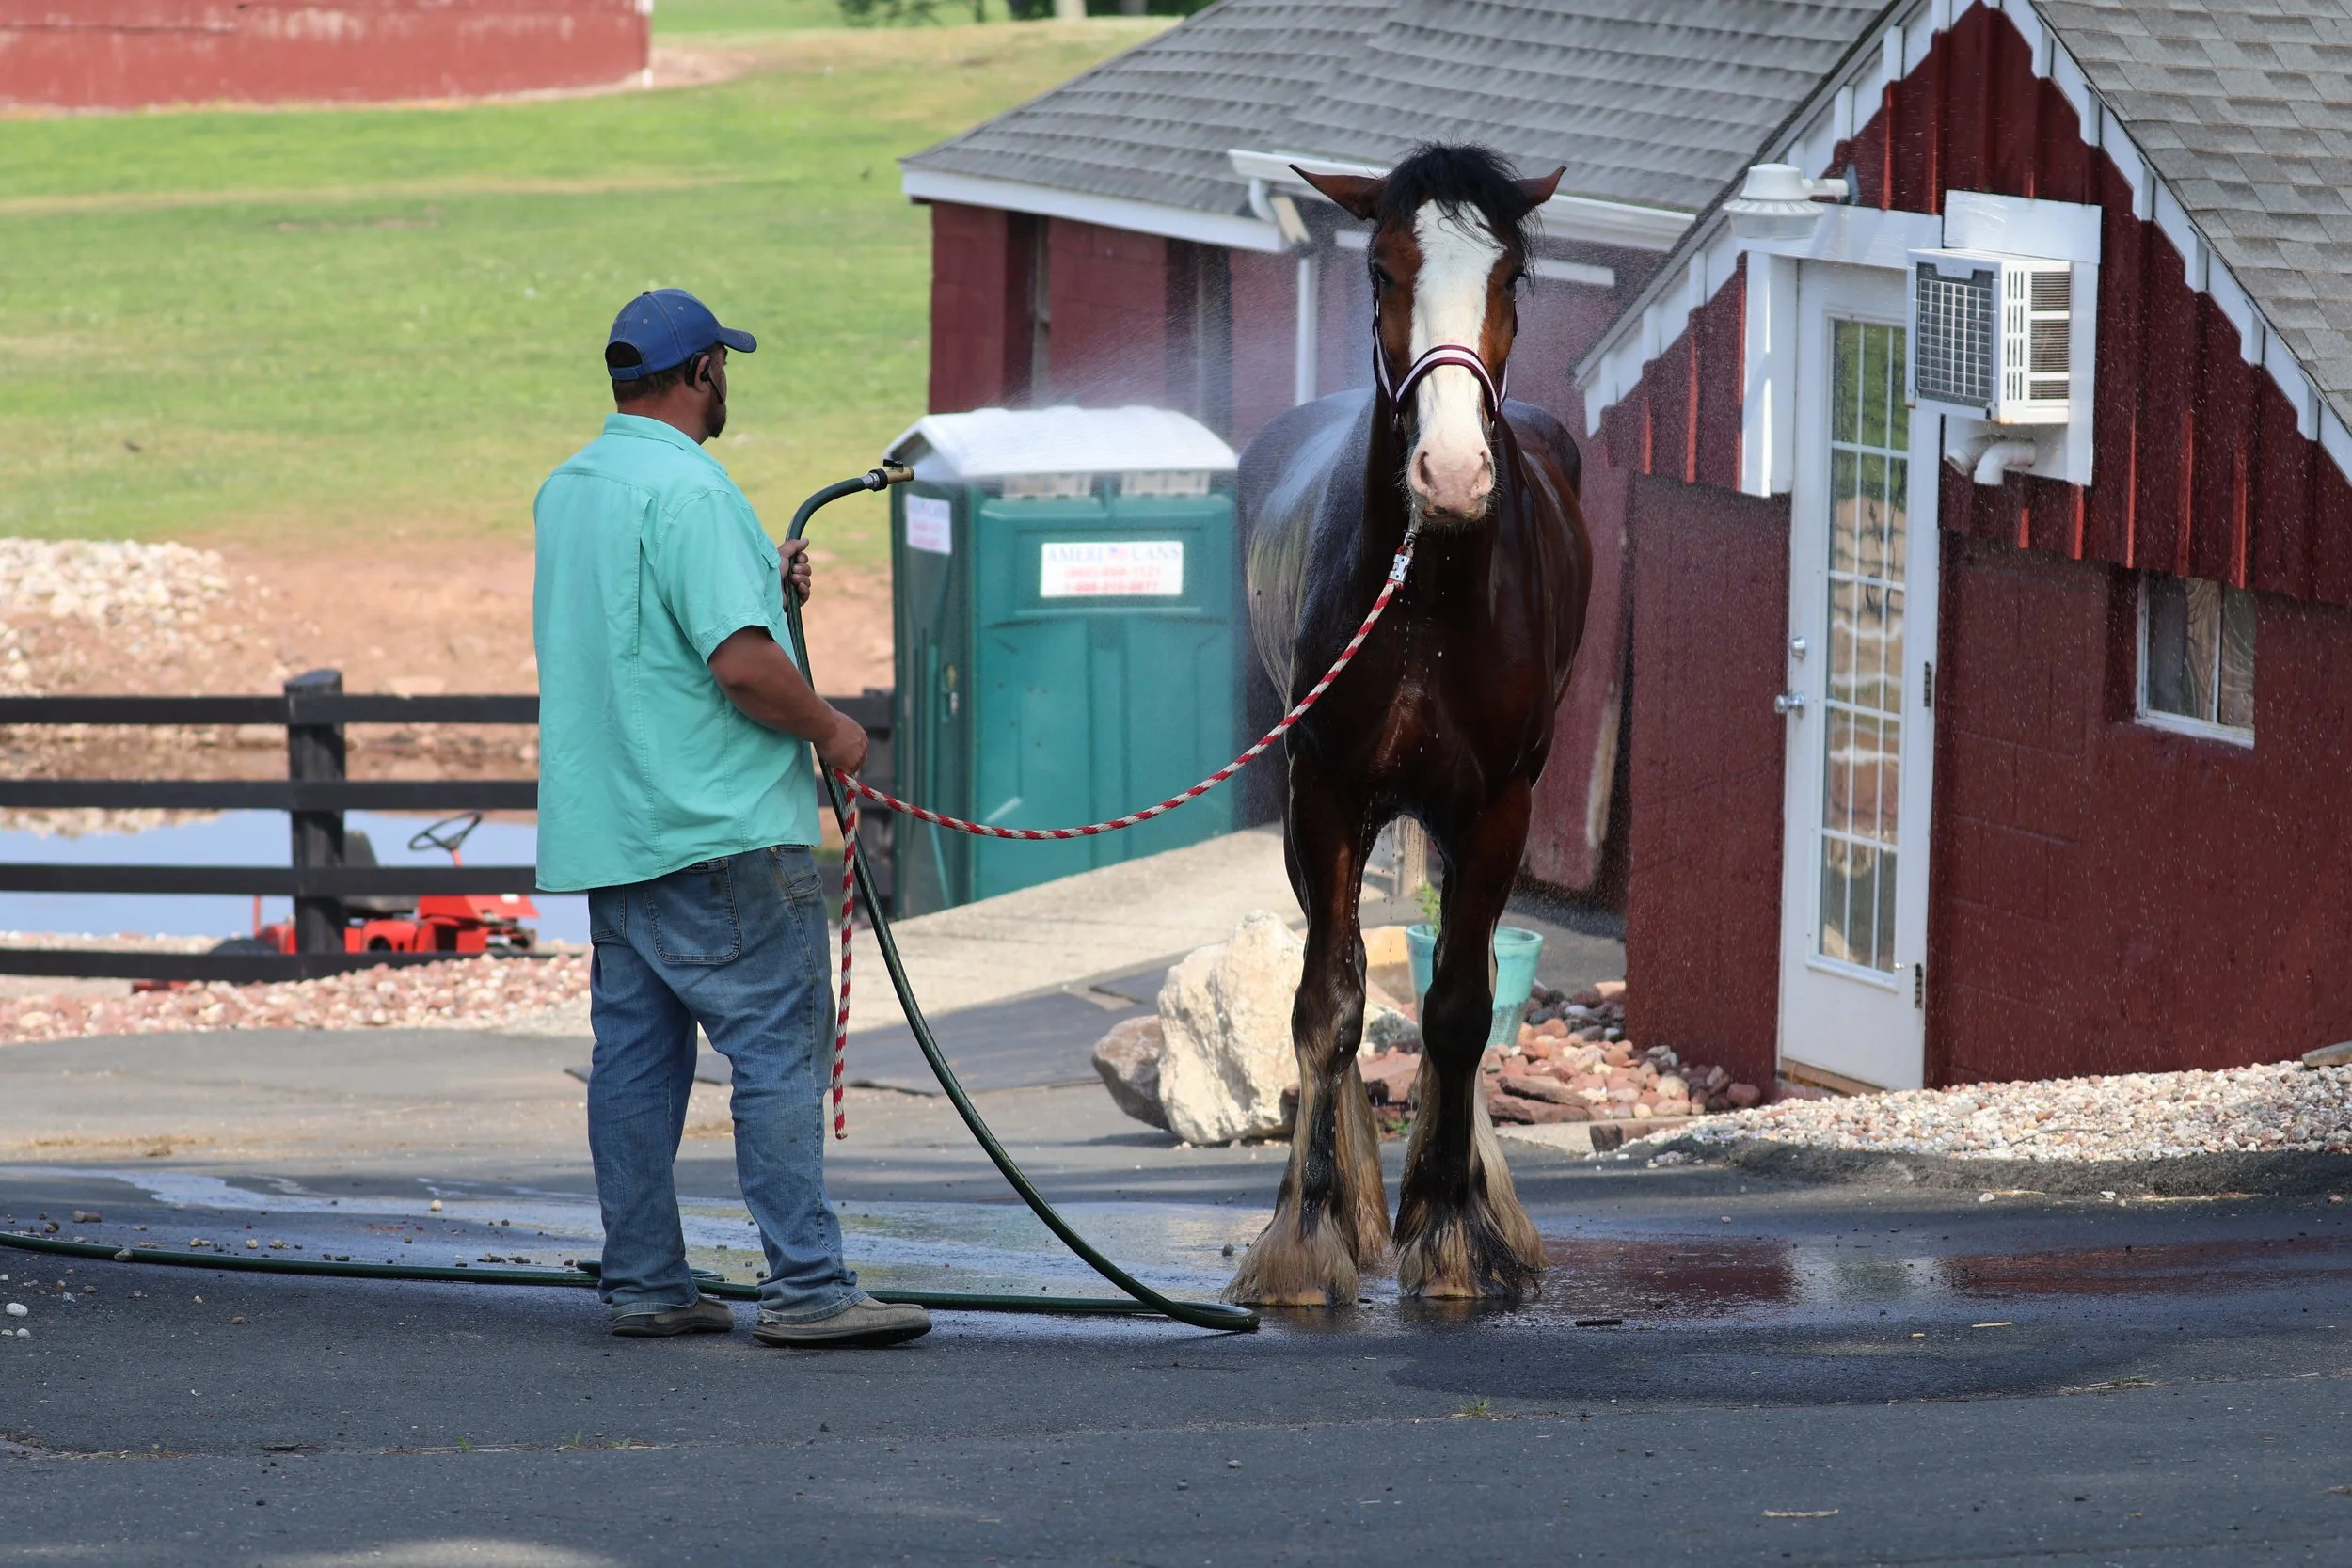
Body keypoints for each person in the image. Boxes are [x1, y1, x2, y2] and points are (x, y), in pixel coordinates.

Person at [532, 288, 929, 1348]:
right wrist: (834, 732)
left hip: (613, 828)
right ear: (703, 369)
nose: (727, 382)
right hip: (720, 825)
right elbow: (743, 666)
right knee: (778, 1046)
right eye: (724, 365)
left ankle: (648, 1283)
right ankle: (807, 1284)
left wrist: (763, 573)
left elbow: (644, 618)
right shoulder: (694, 492)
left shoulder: (570, 488)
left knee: (636, 1061)